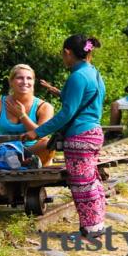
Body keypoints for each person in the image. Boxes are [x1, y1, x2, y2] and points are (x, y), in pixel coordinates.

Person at [21, 34, 106, 239]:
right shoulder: (93, 72)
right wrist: (57, 91)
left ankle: (91, 227)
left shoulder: (77, 76)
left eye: (63, 54)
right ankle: (97, 224)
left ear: (68, 52)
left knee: (81, 185)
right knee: (91, 180)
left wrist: (37, 132)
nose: (63, 58)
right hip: (94, 133)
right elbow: (85, 99)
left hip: (79, 136)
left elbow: (67, 113)